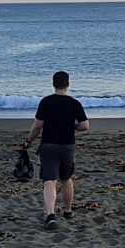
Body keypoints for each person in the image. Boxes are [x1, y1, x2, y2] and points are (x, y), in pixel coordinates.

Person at [22, 70, 88, 230]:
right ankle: (68, 211)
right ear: (68, 84)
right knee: (66, 178)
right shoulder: (74, 103)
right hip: (67, 146)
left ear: (53, 84)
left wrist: (28, 141)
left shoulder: (46, 102)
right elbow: (85, 125)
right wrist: (73, 125)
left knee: (49, 180)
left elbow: (38, 126)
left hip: (49, 145)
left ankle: (51, 215)